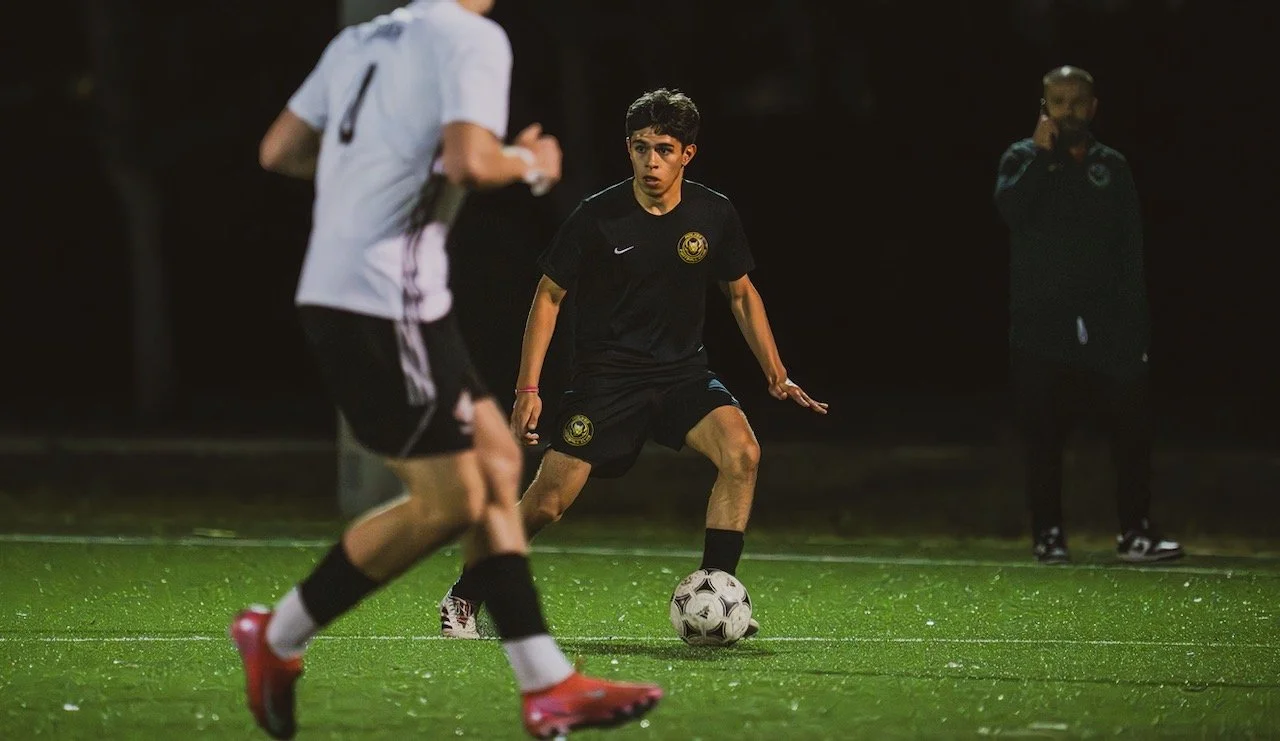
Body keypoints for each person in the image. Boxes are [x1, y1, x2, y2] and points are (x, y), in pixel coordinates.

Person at [231, 2, 662, 739]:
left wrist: (366, 180)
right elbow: (470, 159)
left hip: (382, 297)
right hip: (379, 300)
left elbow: (278, 150)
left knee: (495, 462)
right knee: (454, 497)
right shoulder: (471, 38)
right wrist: (533, 164)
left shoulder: (361, 38)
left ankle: (546, 683)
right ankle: (277, 636)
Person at [438, 87, 828, 640]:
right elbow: (548, 296)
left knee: (742, 453)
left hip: (682, 375)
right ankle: (464, 594)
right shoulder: (597, 217)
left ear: (688, 154)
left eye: (665, 149)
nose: (652, 161)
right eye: (641, 148)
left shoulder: (713, 213)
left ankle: (717, 596)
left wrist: (775, 370)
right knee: (546, 504)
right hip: (607, 382)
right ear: (629, 148)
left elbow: (740, 292)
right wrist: (528, 388)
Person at [993, 65, 1183, 565]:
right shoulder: (1021, 158)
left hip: (1110, 329)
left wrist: (1137, 327)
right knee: (1044, 436)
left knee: (1131, 432)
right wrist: (1039, 154)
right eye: (1058, 102)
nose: (1069, 111)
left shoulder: (1111, 166)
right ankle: (1049, 535)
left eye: (1077, 102)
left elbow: (1130, 250)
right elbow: (1011, 211)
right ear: (1044, 107)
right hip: (1041, 328)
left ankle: (1136, 533)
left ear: (1093, 107)